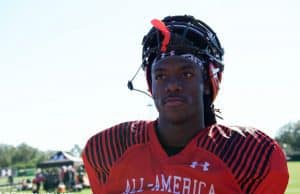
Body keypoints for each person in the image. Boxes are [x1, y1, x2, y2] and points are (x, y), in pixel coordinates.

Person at [82, 15, 289, 194]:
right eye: (161, 75)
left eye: (186, 73)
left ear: (208, 82)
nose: (172, 85)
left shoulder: (250, 155)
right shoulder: (110, 150)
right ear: (150, 85)